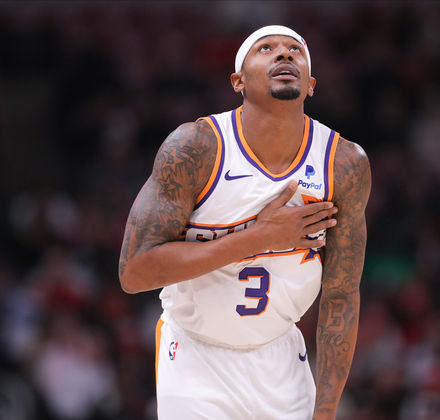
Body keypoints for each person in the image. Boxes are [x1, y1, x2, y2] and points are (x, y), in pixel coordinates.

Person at [118, 25, 370, 420]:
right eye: (266, 48)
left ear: (311, 85)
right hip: (195, 357)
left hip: (281, 359)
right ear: (238, 81)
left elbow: (342, 295)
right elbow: (134, 272)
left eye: (294, 51)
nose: (284, 55)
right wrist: (258, 238)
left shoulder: (344, 164)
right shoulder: (195, 148)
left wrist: (325, 411)